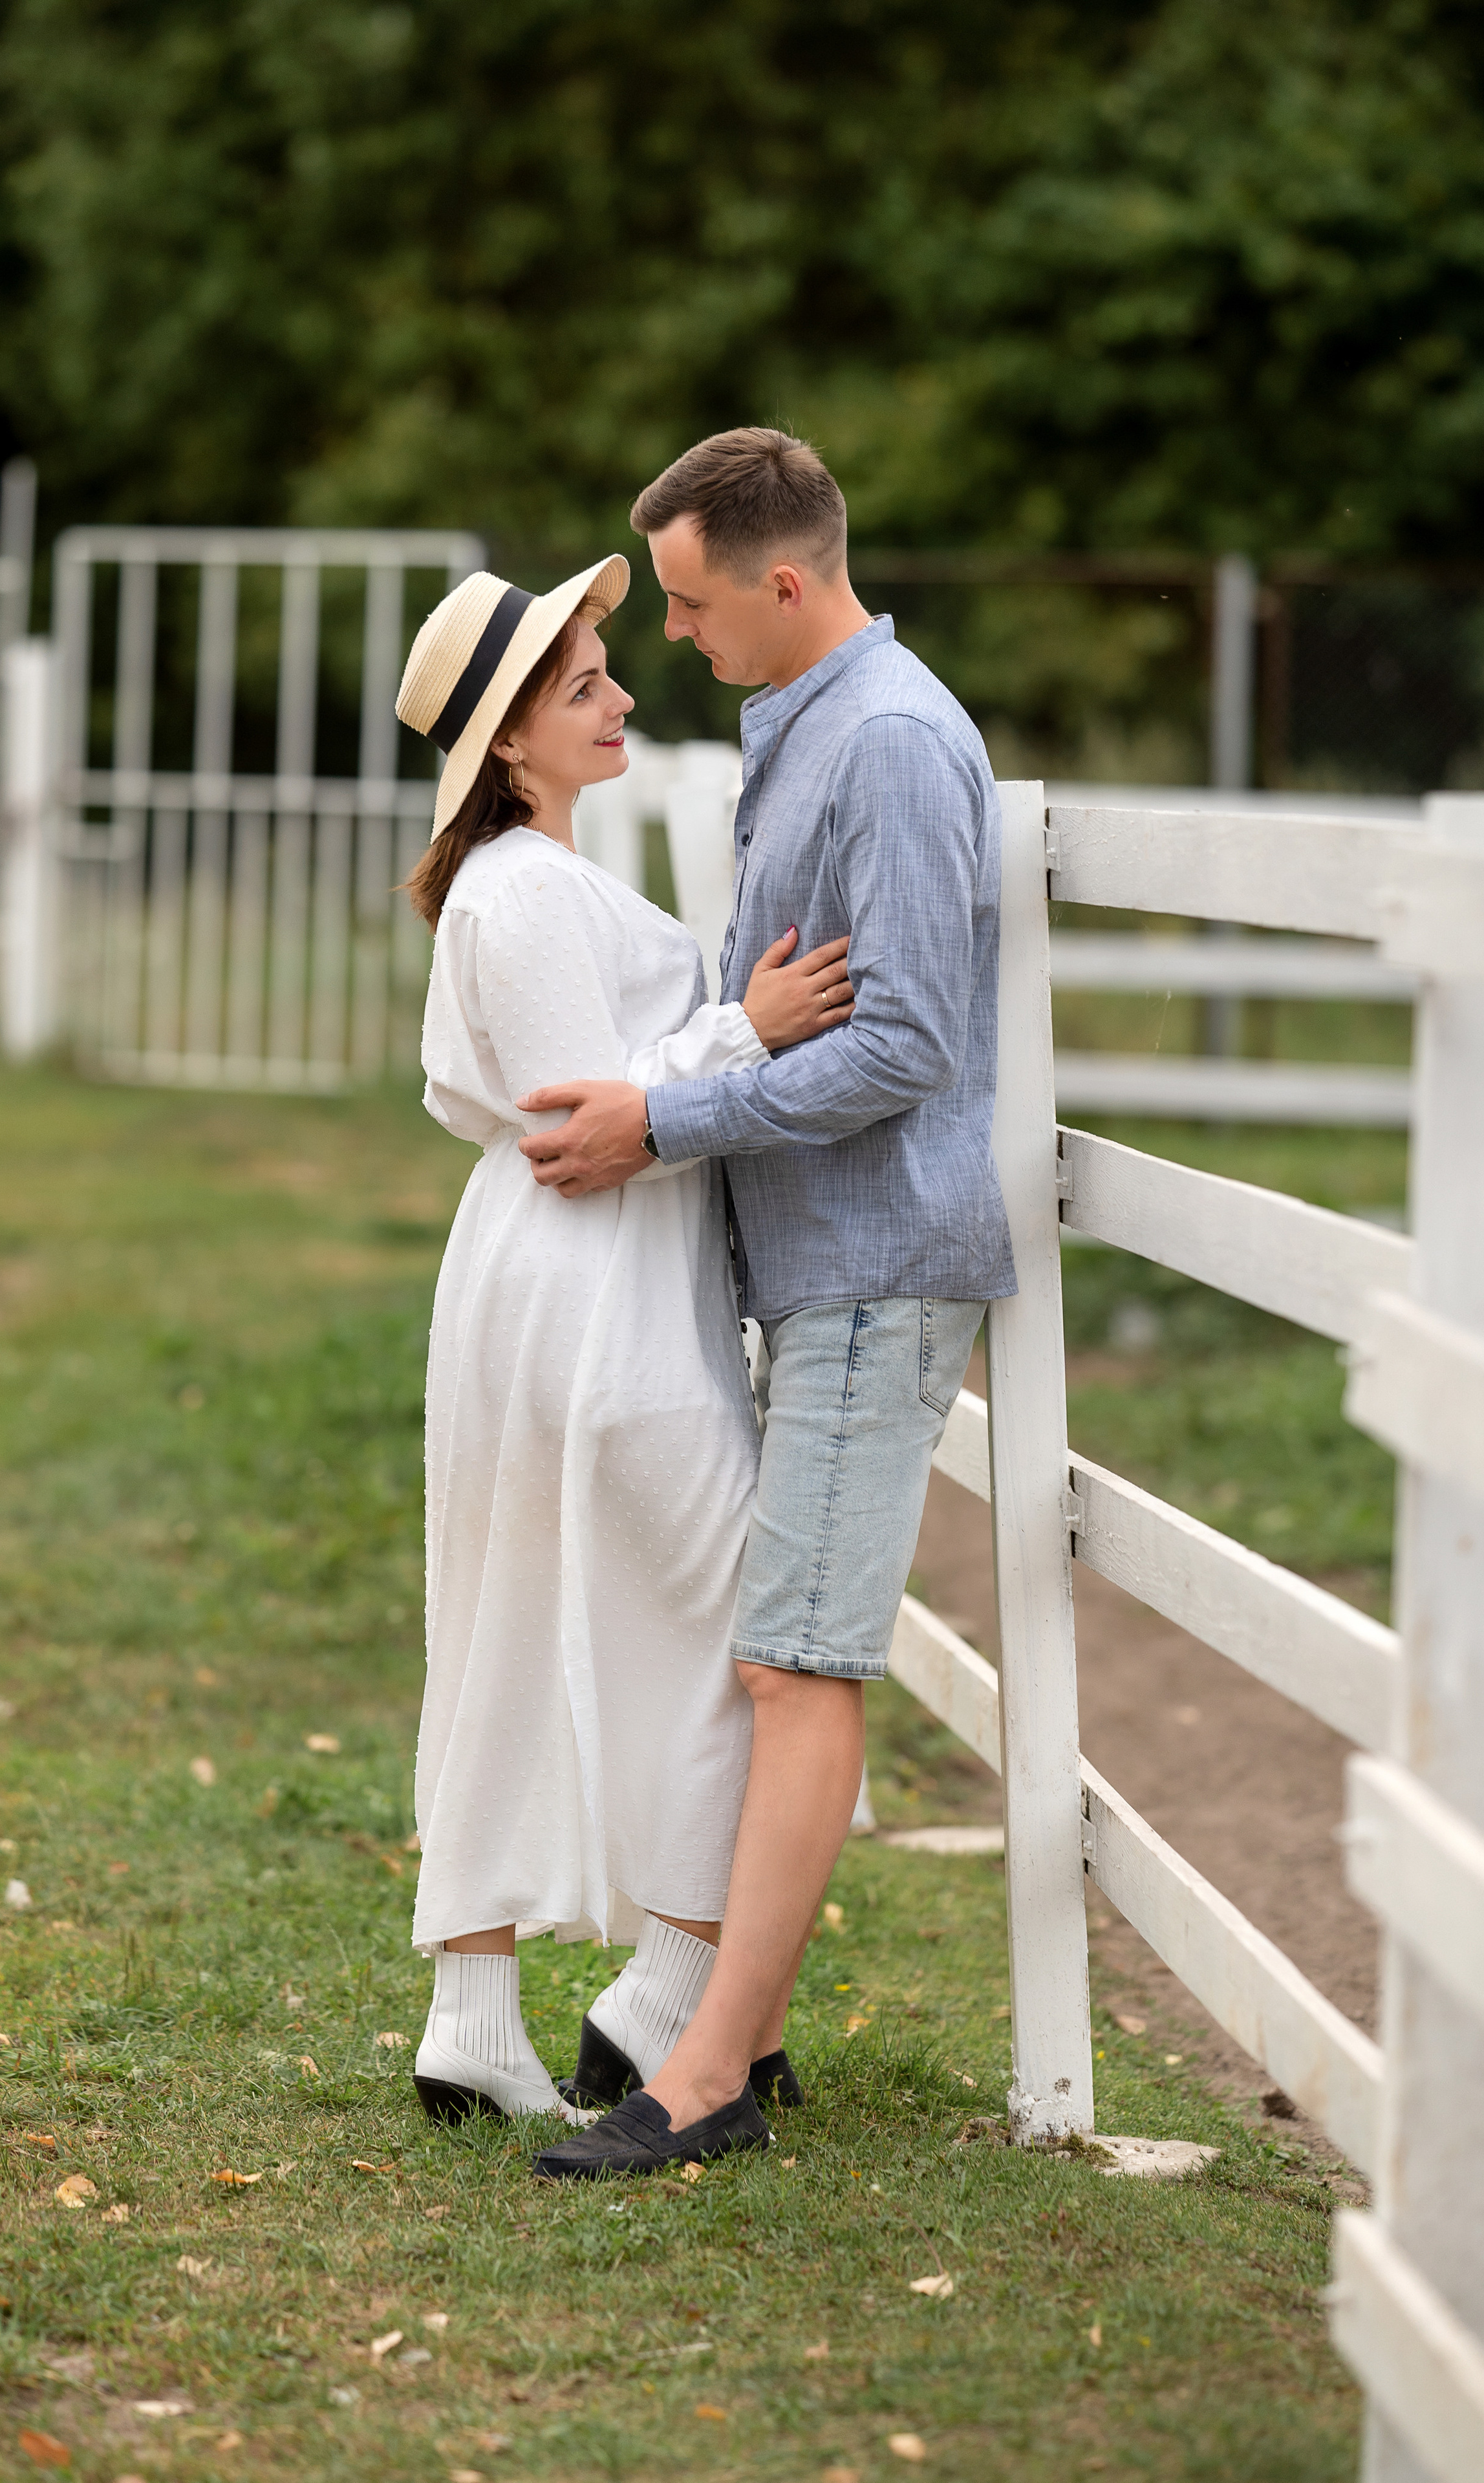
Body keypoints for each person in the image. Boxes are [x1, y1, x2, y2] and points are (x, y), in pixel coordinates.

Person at [516, 429, 1017, 2178]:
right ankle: (751, 2038)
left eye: (687, 598)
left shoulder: (883, 742)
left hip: (875, 1264)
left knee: (797, 1668)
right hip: (813, 1264)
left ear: (783, 582)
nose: (670, 635)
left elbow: (908, 1044)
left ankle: (712, 2075)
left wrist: (665, 1119)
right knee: (776, 1655)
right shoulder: (805, 728)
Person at [394, 552, 856, 2125]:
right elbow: (582, 1114)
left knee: (525, 1619)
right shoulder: (517, 890)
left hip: (564, 1280)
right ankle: (654, 1994)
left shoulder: (531, 881)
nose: (620, 698)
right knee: (760, 1635)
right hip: (586, 1290)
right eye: (582, 685)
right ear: (507, 742)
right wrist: (751, 1027)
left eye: (604, 671)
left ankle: (486, 2018)